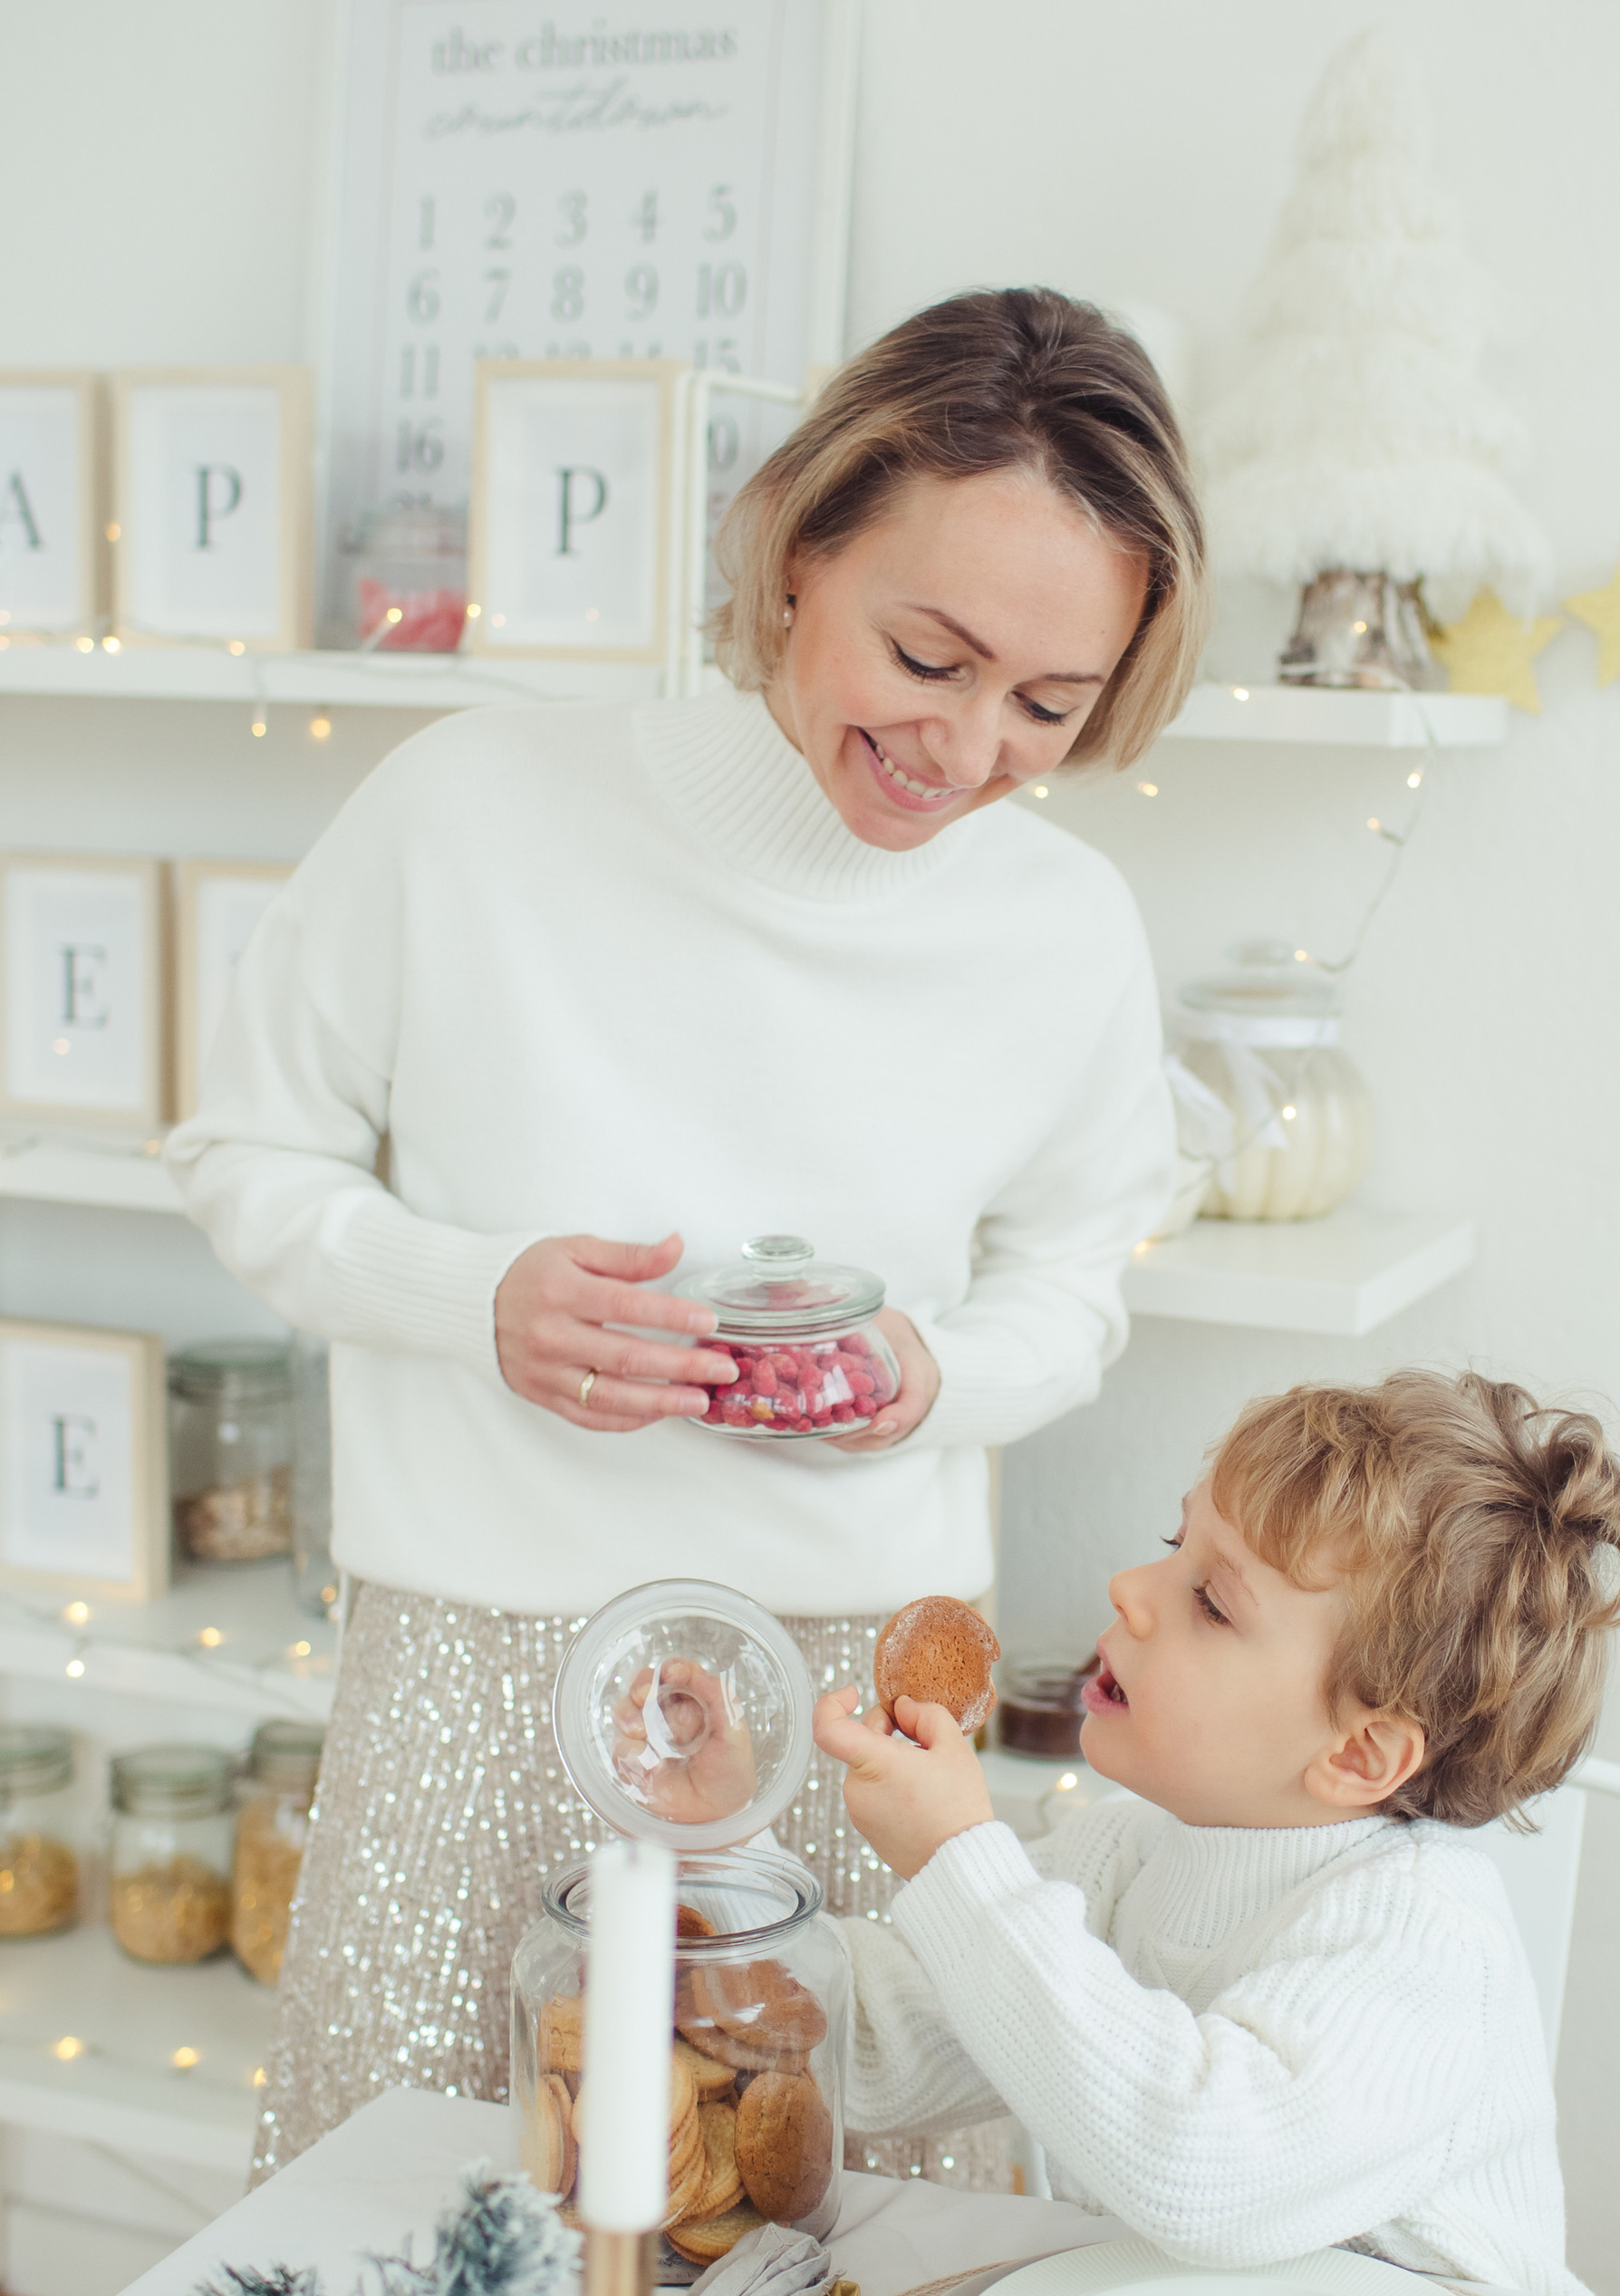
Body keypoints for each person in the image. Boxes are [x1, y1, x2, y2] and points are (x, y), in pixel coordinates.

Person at [168, 289, 1206, 2179]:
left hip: (850, 1698)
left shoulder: (1062, 931)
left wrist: (926, 1375)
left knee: (826, 2263)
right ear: (800, 548)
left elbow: (1073, 1294)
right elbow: (246, 1151)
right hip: (473, 1657)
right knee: (397, 2236)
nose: (965, 747)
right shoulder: (474, 807)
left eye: (1045, 707)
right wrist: (476, 1298)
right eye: (928, 652)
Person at [814, 1370, 1620, 2293]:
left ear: (1360, 1755)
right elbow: (877, 2044)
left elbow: (1197, 2162)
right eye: (1174, 1545)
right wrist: (714, 1875)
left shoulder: (1423, 1941)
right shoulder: (1123, 1855)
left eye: (1212, 1601)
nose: (1129, 1588)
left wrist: (954, 1863)